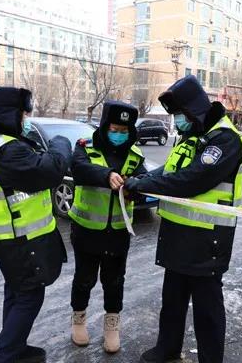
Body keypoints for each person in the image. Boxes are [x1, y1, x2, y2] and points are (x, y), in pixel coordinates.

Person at [124, 75, 242, 363]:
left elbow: (192, 180)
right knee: (172, 299)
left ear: (194, 110)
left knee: (207, 309)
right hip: (177, 234)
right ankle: (168, 347)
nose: (177, 120)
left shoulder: (224, 139)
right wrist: (139, 180)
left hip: (207, 238)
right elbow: (169, 171)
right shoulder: (192, 136)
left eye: (180, 113)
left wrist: (143, 185)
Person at [0, 87, 72, 363]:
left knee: (16, 291)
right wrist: (61, 143)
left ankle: (15, 348)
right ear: (12, 114)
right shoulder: (8, 151)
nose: (27, 119)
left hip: (6, 237)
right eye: (25, 114)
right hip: (19, 240)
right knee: (29, 296)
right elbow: (49, 171)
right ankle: (5, 355)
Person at [68, 101, 147, 353]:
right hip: (86, 230)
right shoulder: (85, 147)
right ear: (104, 127)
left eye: (124, 131)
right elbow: (79, 169)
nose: (119, 134)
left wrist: (135, 189)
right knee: (84, 279)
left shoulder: (135, 155)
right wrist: (106, 175)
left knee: (114, 282)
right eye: (114, 129)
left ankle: (112, 327)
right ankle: (78, 320)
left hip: (118, 233)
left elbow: (145, 181)